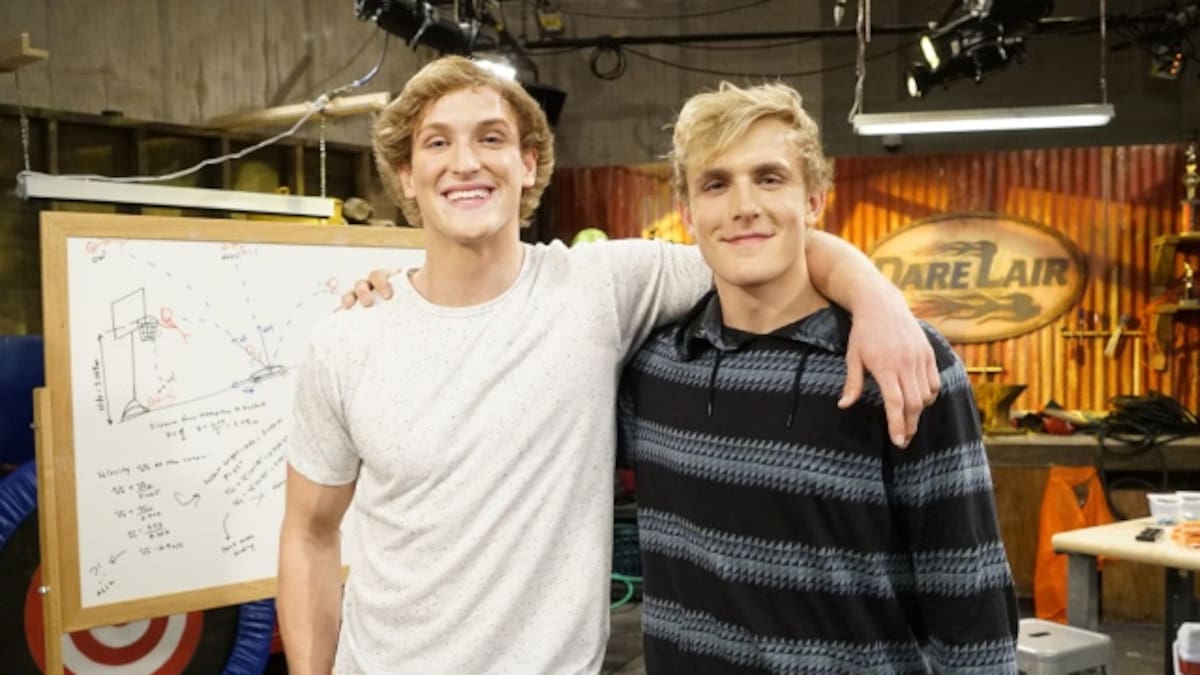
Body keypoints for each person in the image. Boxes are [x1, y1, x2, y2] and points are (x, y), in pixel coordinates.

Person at [279, 54, 939, 674]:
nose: (465, 162)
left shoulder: (601, 287)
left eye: (490, 138)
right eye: (437, 143)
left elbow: (757, 242)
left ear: (528, 163)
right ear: (405, 176)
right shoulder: (349, 339)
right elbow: (309, 533)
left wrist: (876, 298)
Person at [617, 81, 1019, 674]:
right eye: (716, 184)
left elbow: (967, 590)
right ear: (687, 212)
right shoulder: (654, 371)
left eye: (769, 178)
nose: (743, 205)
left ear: (814, 201)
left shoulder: (899, 362)